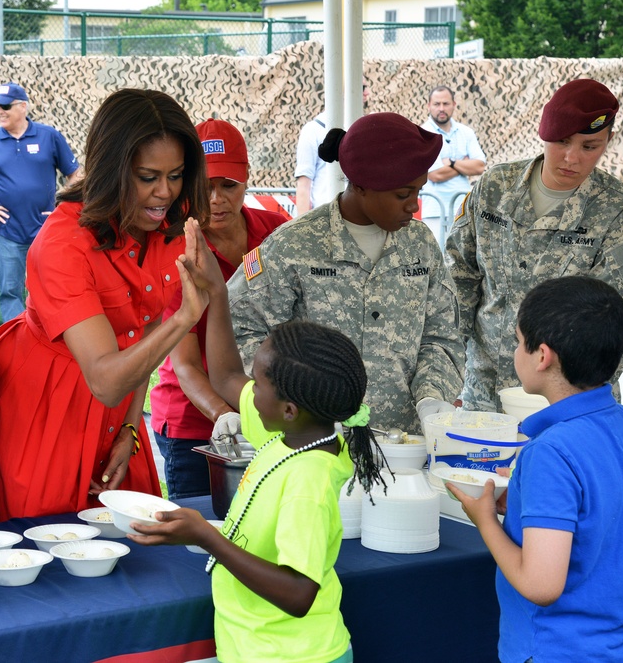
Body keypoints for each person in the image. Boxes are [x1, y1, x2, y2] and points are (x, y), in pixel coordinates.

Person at [132, 224, 385, 662]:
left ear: (289, 407)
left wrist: (208, 538)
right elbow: (226, 376)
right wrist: (218, 295)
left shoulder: (308, 479)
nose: (249, 387)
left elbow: (299, 592)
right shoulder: (289, 433)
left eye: (260, 380)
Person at [0, 88, 211, 521]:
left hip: (118, 408)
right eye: (147, 177)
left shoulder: (164, 226)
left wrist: (127, 429)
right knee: (48, 541)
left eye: (176, 175)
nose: (164, 193)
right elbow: (105, 378)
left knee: (134, 549)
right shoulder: (63, 243)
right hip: (47, 406)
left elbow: (140, 334)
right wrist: (183, 319)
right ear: (111, 169)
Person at [448, 275, 623, 662]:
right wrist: (524, 499)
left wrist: (485, 519)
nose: (517, 351)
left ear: (543, 356)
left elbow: (541, 584)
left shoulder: (549, 452)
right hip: (620, 648)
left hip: (555, 649)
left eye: (519, 342)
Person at [228, 112, 465, 435]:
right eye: (402, 194)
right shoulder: (295, 246)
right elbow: (242, 327)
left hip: (404, 446)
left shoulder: (420, 244)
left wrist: (431, 396)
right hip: (316, 444)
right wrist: (294, 396)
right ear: (361, 186)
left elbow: (442, 335)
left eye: (418, 191)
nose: (414, 205)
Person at [445, 78, 623, 413]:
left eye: (590, 146)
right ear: (544, 133)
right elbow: (458, 283)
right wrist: (448, 374)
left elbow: (611, 321)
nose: (571, 158)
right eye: (561, 141)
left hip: (568, 400)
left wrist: (567, 401)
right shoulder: (495, 188)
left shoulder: (621, 211)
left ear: (608, 140)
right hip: (484, 393)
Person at [149, 118, 287, 499]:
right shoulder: (176, 251)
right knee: (201, 536)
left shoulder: (278, 234)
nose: (216, 199)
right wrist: (223, 414)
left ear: (246, 181)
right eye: (205, 187)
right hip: (197, 425)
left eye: (228, 186)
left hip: (272, 416)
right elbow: (185, 363)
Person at [0, 81, 81, 321]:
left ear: (23, 106)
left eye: (5, 106)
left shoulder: (49, 136)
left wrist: (63, 207)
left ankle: (47, 335)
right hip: (8, 233)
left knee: (49, 288)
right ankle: (17, 341)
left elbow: (75, 174)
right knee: (10, 293)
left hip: (46, 231)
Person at [293, 84, 371, 216]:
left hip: (360, 218)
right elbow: (304, 185)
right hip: (324, 217)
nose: (367, 93)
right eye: (362, 87)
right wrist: (304, 228)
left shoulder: (366, 128)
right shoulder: (312, 129)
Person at [420, 86, 486, 234]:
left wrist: (451, 163)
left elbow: (479, 167)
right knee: (436, 255)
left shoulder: (466, 132)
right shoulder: (423, 133)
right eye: (437, 104)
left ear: (454, 105)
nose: (441, 108)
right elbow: (434, 175)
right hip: (434, 209)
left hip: (462, 208)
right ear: (429, 106)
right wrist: (464, 164)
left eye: (446, 103)